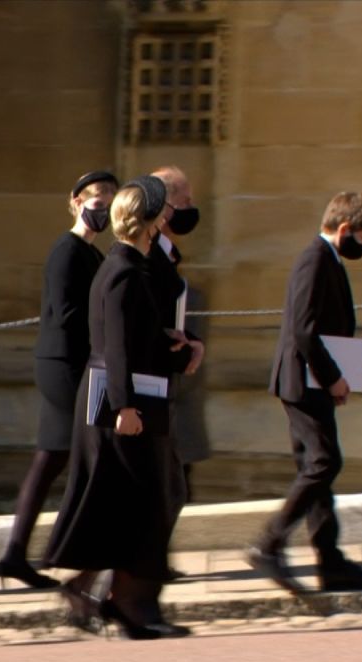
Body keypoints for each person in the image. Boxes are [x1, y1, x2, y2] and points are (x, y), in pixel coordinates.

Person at [42, 176, 195, 640]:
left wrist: (171, 340)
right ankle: (129, 603)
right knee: (147, 499)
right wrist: (125, 406)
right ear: (148, 222)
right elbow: (116, 347)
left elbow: (160, 303)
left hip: (132, 397)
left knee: (129, 499)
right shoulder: (123, 270)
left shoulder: (135, 262)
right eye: (161, 214)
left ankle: (101, 590)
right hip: (120, 401)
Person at [247, 191, 362, 594]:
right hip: (303, 380)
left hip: (313, 381)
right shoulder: (315, 258)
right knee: (324, 462)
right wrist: (334, 375)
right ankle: (269, 542)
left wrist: (337, 377)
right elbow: (303, 329)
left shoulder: (328, 259)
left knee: (316, 467)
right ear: (344, 229)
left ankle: (330, 561)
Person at [0, 170, 118, 590]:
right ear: (77, 202)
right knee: (90, 453)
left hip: (70, 362)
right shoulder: (66, 251)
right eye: (96, 201)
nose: (101, 209)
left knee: (51, 459)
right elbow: (68, 315)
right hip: (64, 365)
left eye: (109, 202)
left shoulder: (93, 255)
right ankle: (74, 551)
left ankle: (15, 554)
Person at [148, 166, 207, 580]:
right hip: (148, 382)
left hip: (167, 380)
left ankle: (149, 560)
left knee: (175, 482)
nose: (192, 209)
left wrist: (187, 339)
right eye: (185, 201)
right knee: (168, 484)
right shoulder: (148, 254)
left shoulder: (166, 251)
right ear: (166, 207)